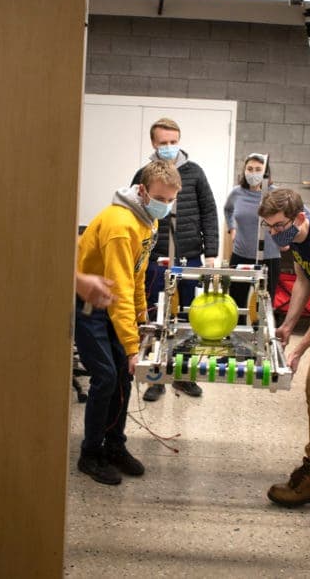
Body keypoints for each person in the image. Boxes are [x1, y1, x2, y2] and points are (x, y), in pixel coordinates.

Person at [74, 160, 182, 485]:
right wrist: (133, 347)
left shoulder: (148, 222)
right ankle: (90, 453)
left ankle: (114, 445)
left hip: (112, 300)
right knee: (106, 375)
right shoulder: (121, 225)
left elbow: (137, 277)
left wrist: (141, 318)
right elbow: (119, 285)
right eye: (160, 198)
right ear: (142, 191)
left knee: (121, 371)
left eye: (170, 200)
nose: (165, 205)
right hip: (89, 303)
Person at [257, 188, 310, 507]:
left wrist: (299, 349)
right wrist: (289, 326)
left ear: (300, 217)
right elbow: (306, 281)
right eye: (270, 227)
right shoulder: (297, 241)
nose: (275, 233)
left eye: (279, 226)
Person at [134, 117, 219, 401]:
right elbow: (134, 215)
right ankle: (155, 378)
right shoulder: (144, 174)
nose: (169, 147)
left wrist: (211, 254)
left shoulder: (194, 173)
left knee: (186, 318)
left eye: (173, 142)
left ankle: (183, 376)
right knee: (157, 317)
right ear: (153, 144)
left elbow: (209, 210)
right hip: (157, 259)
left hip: (190, 258)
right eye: (163, 143)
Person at [224, 153, 281, 308]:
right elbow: (228, 210)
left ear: (265, 172)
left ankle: (259, 332)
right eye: (250, 169)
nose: (253, 173)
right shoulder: (237, 193)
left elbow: (299, 213)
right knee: (236, 303)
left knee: (264, 304)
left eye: (258, 169)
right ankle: (235, 333)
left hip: (269, 257)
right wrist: (232, 228)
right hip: (240, 255)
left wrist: (286, 237)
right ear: (244, 171)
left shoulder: (275, 194)